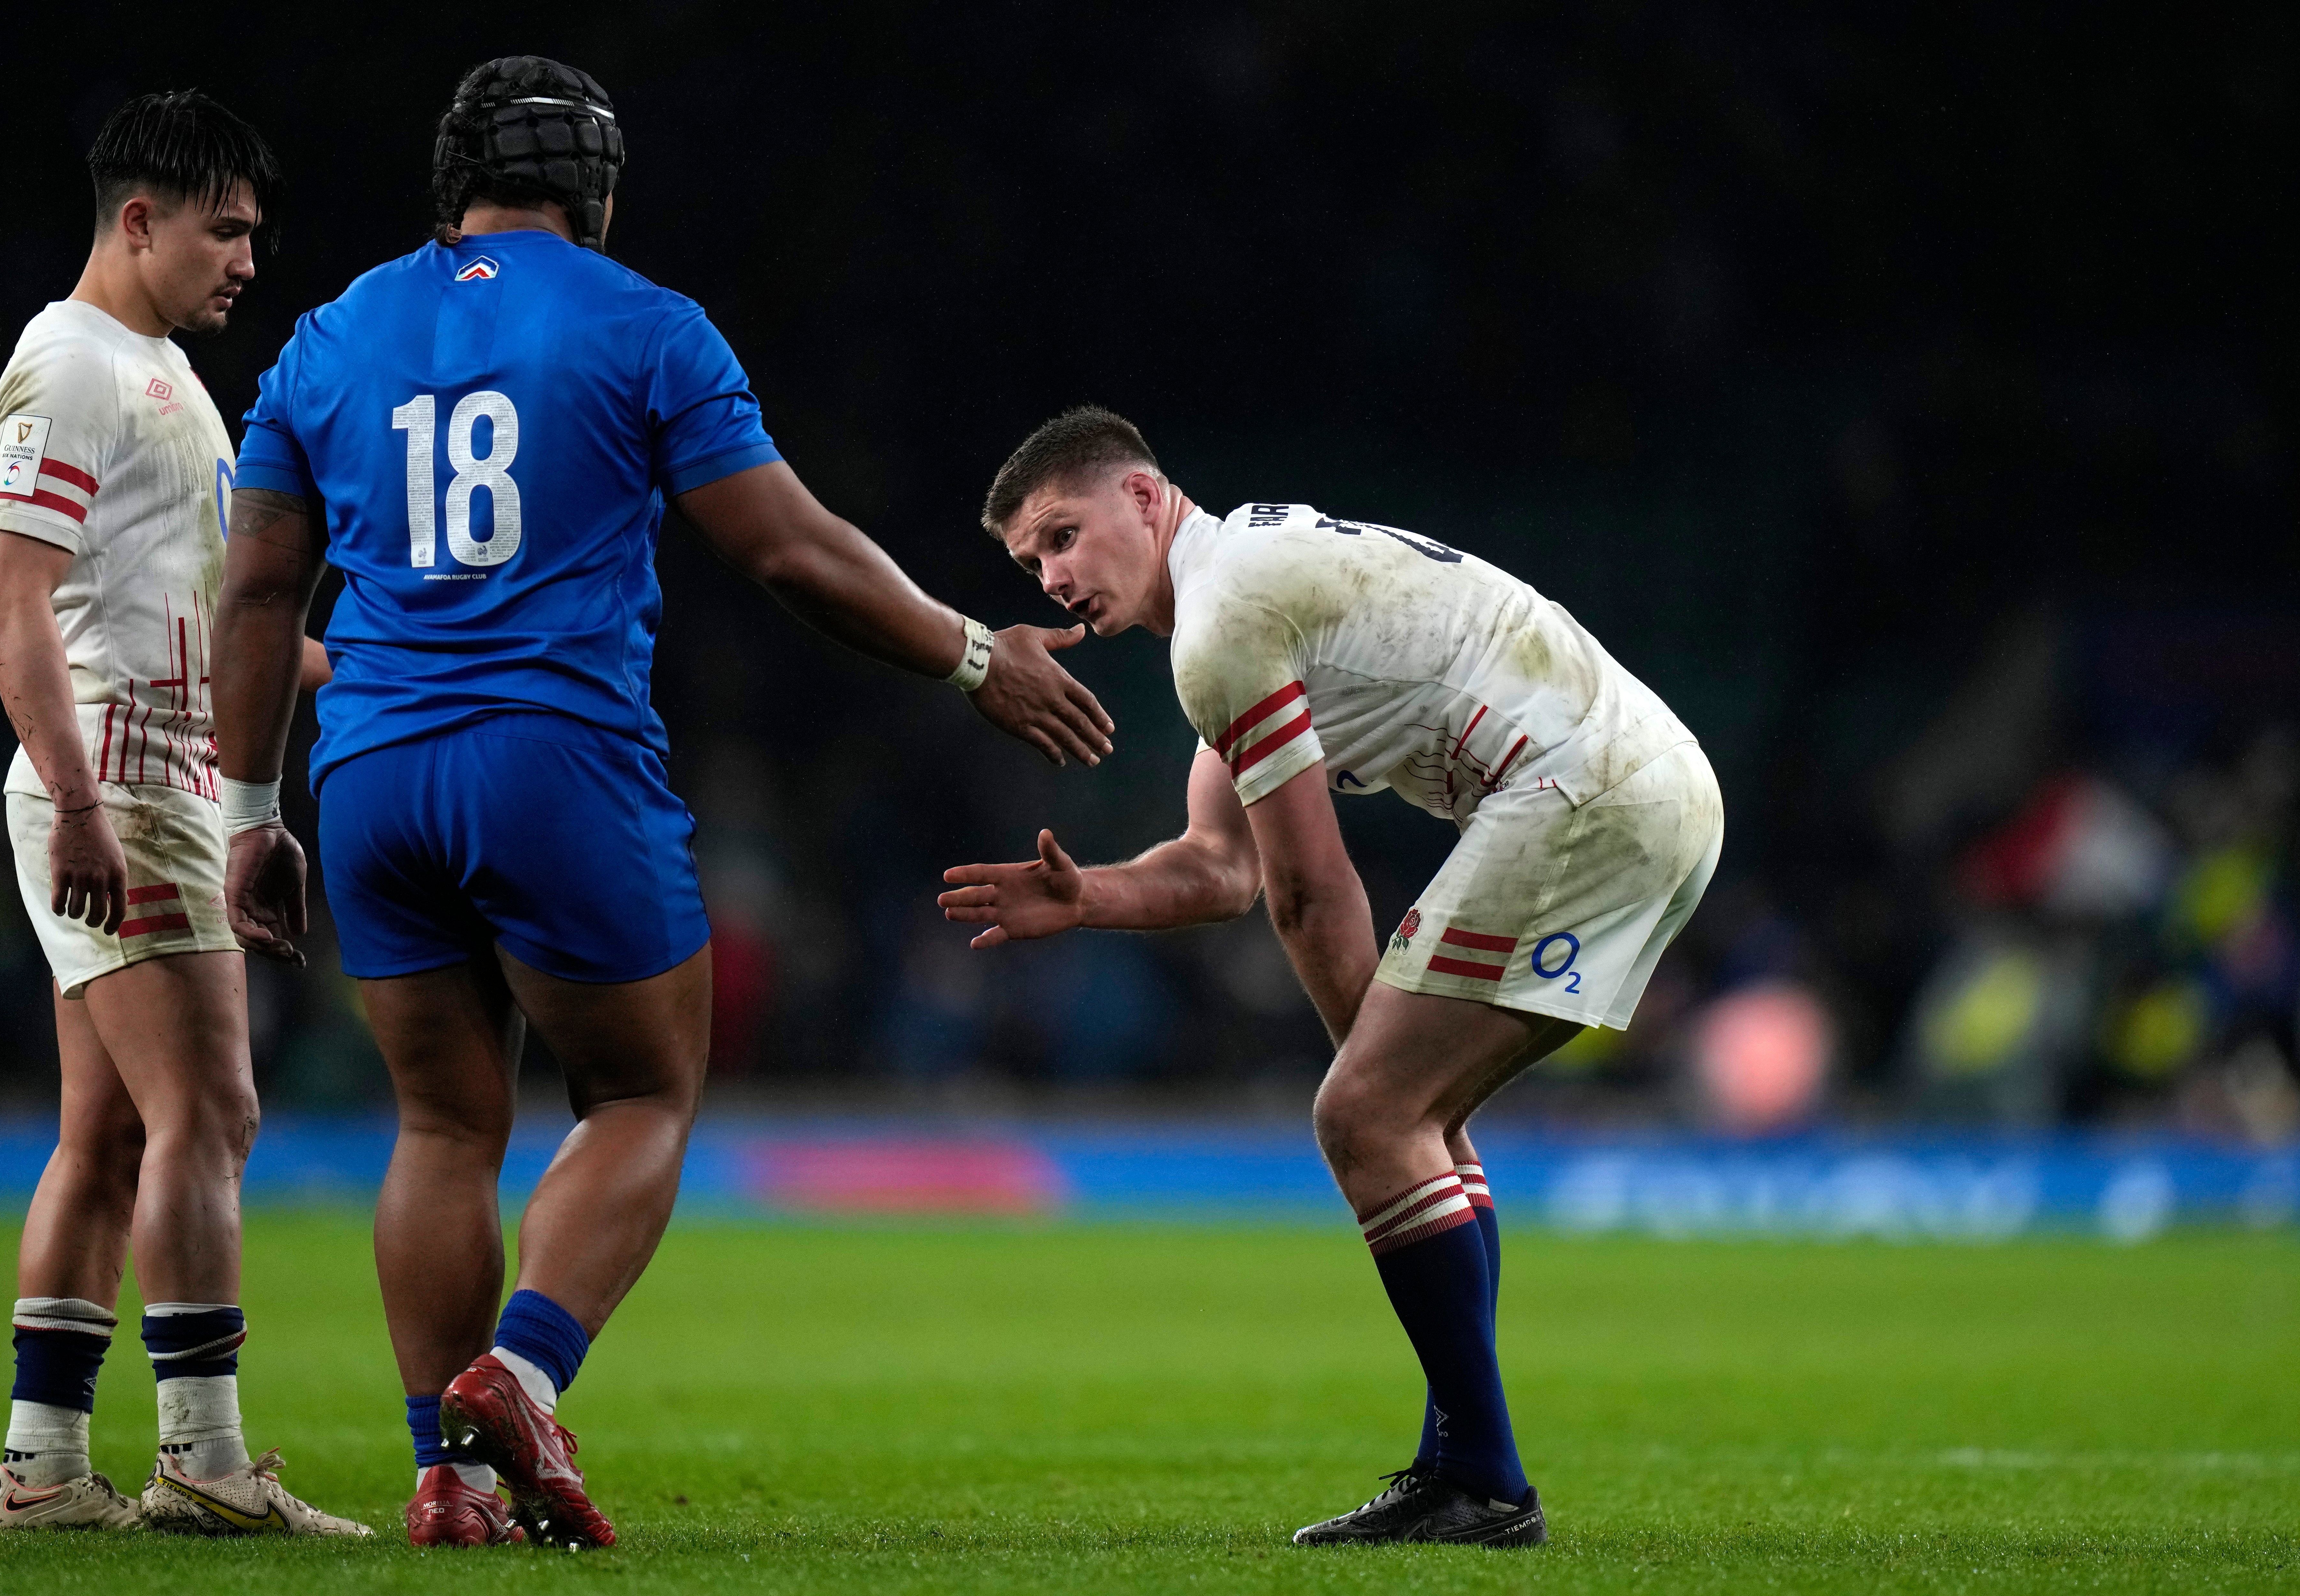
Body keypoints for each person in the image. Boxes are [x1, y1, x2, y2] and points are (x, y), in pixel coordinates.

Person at [210, 56, 1115, 1550]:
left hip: (366, 766)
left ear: (453, 188)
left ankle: (446, 1478)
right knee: (640, 1090)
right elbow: (785, 549)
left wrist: (251, 810)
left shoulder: (325, 336)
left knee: (441, 1122)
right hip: (551, 754)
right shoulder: (645, 326)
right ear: (597, 189)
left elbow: (254, 589)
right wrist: (970, 654)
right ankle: (515, 1376)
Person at [941, 406, 1724, 1547]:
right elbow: (1223, 869)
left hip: (1586, 793)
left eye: (1064, 535)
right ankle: (1465, 1466)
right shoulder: (1241, 594)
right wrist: (1088, 897)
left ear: (1146, 498)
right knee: (1408, 1119)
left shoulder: (1224, 622)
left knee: (1371, 1113)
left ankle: (1485, 1485)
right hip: (1640, 784)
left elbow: (1311, 889)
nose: (1054, 576)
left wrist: (1372, 1085)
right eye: (1031, 562)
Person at [0, 91, 353, 1537]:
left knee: (109, 1136)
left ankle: (46, 1469)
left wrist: (350, 659)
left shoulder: (158, 374)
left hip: (154, 770)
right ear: (140, 220)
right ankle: (204, 1458)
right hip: (124, 779)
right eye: (226, 230)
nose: (247, 259)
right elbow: (12, 594)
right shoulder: (70, 366)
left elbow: (186, 605)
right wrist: (78, 799)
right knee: (216, 1107)